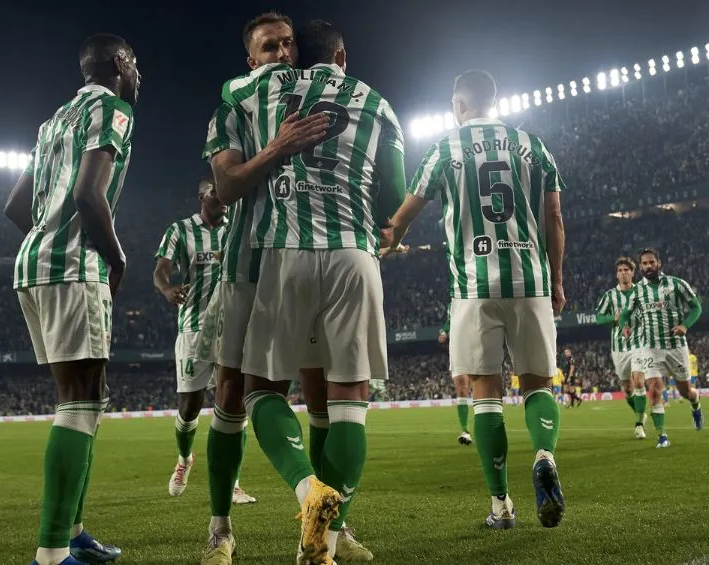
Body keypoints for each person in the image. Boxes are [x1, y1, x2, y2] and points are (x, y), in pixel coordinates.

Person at [220, 19, 405, 564]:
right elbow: (395, 197)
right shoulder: (379, 104)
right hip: (355, 255)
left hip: (286, 253)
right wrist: (389, 228)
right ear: (343, 55)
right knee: (350, 405)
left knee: (261, 391)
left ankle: (308, 489)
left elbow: (236, 164)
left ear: (300, 54)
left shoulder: (267, 90)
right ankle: (325, 540)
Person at [386, 69, 566, 529]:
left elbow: (406, 213)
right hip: (531, 282)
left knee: (485, 392)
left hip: (473, 286)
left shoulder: (445, 147)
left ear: (459, 106)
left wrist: (390, 241)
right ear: (495, 100)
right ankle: (544, 454)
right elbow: (555, 218)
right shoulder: (533, 145)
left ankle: (501, 505)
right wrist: (557, 279)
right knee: (538, 384)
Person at [3, 33, 139, 565]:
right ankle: (52, 552)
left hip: (34, 265)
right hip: (74, 267)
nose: (139, 76)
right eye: (136, 65)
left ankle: (74, 531)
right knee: (79, 401)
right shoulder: (114, 111)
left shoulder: (54, 120)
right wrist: (117, 258)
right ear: (120, 63)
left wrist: (46, 237)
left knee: (88, 398)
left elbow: (16, 204)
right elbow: (88, 193)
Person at [153, 176, 257, 504]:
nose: (223, 197)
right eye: (216, 192)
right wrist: (167, 287)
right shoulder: (180, 230)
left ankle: (233, 482)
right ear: (202, 195)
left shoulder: (238, 227)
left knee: (233, 405)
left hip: (231, 327)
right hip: (194, 328)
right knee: (189, 409)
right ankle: (185, 460)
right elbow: (161, 270)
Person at [621, 248, 704, 448]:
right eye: (644, 264)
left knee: (685, 392)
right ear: (640, 267)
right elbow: (625, 312)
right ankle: (662, 436)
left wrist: (685, 325)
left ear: (659, 263)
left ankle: (696, 403)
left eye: (651, 262)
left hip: (676, 347)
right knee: (655, 389)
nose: (648, 266)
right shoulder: (638, 290)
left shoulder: (677, 284)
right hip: (651, 347)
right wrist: (625, 324)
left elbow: (696, 307)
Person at [595, 257, 646, 437]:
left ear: (633, 272)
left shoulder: (642, 292)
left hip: (639, 343)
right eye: (620, 270)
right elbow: (598, 317)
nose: (624, 273)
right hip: (618, 347)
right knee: (628, 389)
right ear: (617, 275)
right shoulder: (610, 296)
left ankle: (639, 423)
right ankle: (640, 412)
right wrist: (613, 318)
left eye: (627, 270)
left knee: (639, 381)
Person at [438, 320, 473, 445]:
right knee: (461, 386)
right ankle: (465, 431)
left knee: (483, 382)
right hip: (457, 346)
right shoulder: (451, 303)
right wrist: (444, 332)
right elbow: (448, 322)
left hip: (475, 339)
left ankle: (488, 429)